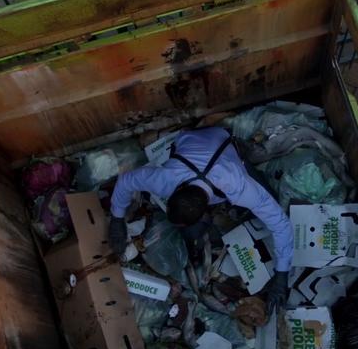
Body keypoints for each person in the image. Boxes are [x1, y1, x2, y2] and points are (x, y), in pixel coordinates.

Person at [107, 126, 293, 312]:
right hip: (193, 138)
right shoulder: (164, 179)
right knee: (193, 233)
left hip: (226, 146)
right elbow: (126, 181)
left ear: (206, 213)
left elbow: (281, 224)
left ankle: (244, 160)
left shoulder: (238, 186)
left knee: (270, 203)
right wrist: (117, 220)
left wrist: (282, 274)